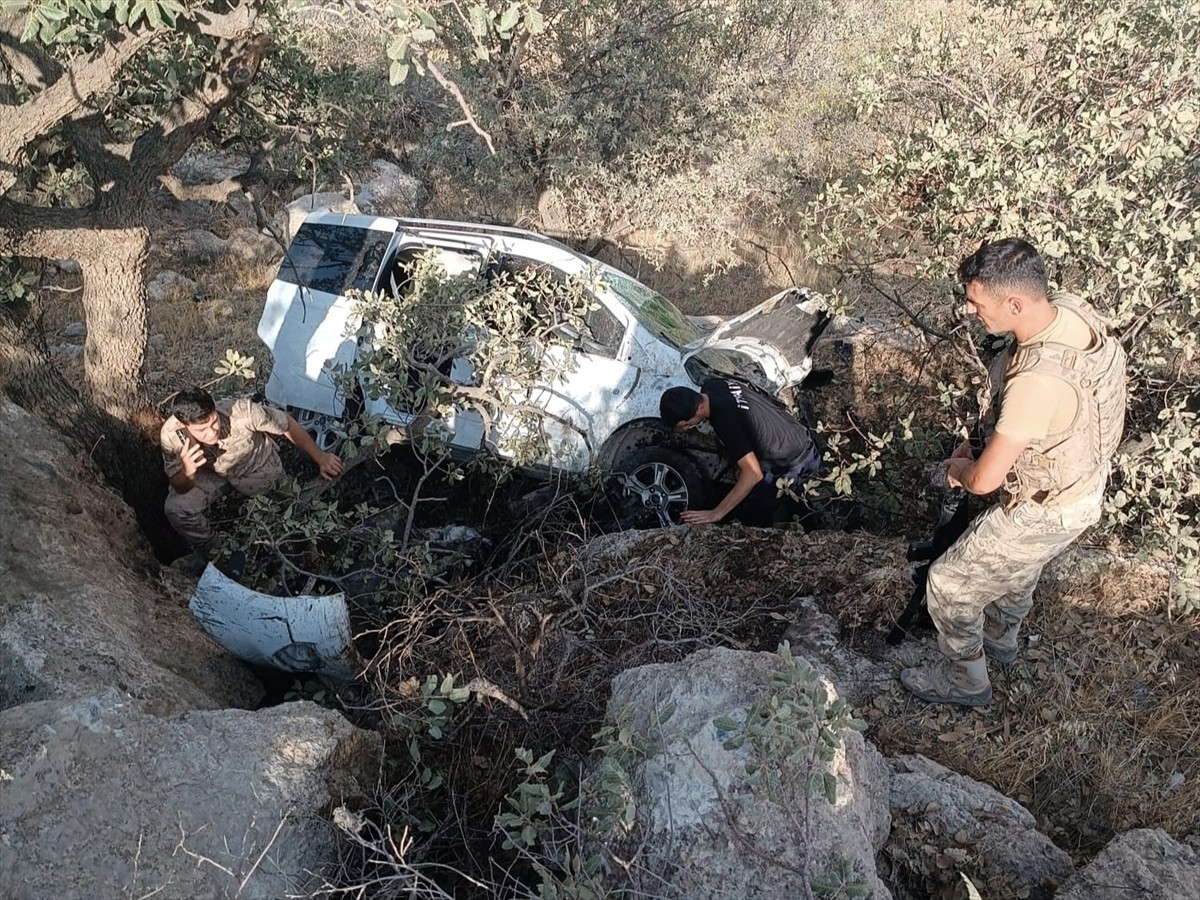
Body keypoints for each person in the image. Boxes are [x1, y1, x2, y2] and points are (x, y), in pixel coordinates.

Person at [900, 238, 1126, 707]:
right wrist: (983, 443)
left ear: (1015, 302)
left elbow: (985, 481)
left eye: (977, 302)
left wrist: (960, 468)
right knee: (1019, 565)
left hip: (1048, 507)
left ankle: (967, 682)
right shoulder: (1067, 312)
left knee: (950, 583)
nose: (970, 309)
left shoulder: (1037, 383)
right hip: (1079, 490)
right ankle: (1002, 641)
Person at [161, 387, 344, 555]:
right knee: (177, 509)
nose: (212, 432)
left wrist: (321, 457)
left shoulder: (243, 413)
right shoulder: (171, 435)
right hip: (212, 473)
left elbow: (286, 424)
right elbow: (180, 487)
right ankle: (216, 556)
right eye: (202, 430)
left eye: (214, 422)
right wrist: (188, 472)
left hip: (258, 466)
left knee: (291, 510)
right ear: (184, 425)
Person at [659, 378, 820, 526]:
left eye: (687, 424)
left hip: (794, 462)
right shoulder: (713, 386)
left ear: (700, 408)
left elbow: (753, 473)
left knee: (752, 515)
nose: (688, 429)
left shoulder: (726, 422)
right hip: (796, 434)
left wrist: (715, 514)